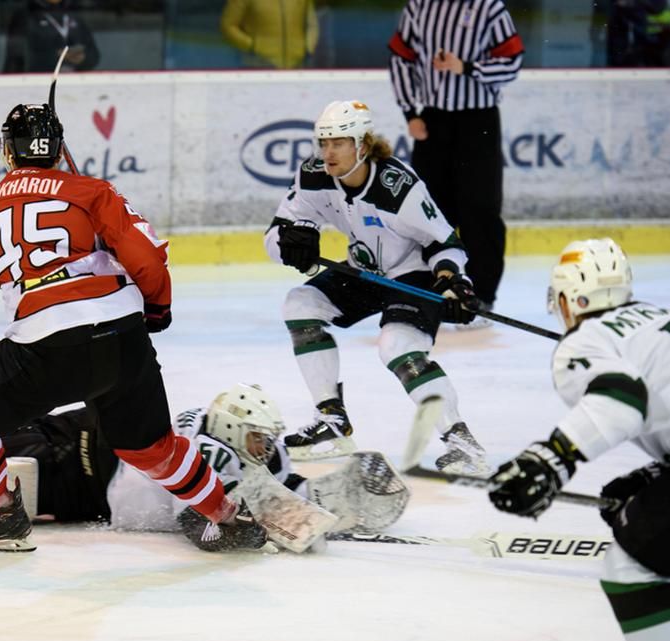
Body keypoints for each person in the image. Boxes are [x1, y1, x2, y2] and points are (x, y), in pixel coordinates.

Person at [0, 102, 266, 553]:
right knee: (150, 446)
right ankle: (229, 519)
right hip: (123, 335)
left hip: (47, 342)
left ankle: (1, 513)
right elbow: (145, 256)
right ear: (59, 147)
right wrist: (157, 309)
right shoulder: (93, 190)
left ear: (8, 152)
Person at [488, 238, 670, 641]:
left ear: (567, 300)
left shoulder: (583, 341)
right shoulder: (667, 317)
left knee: (630, 568)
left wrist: (551, 460)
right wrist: (659, 476)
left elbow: (622, 399)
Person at [0, 385, 411, 549]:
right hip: (71, 472)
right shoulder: (213, 452)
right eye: (254, 438)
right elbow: (213, 520)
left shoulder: (229, 440)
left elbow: (282, 484)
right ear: (228, 429)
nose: (262, 448)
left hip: (73, 433)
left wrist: (350, 487)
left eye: (264, 439)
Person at [263, 99, 490, 476]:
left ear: (363, 145)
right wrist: (289, 244)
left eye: (339, 143)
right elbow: (274, 234)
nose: (328, 152)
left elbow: (445, 243)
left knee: (397, 347)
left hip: (412, 276)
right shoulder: (313, 175)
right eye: (324, 142)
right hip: (363, 271)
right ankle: (331, 420)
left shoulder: (398, 188)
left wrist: (454, 283)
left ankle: (461, 440)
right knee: (300, 303)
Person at [388, 0, 523, 323]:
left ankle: (481, 295)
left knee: (480, 209)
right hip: (433, 121)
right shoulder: (420, 7)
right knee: (428, 212)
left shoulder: (489, 8)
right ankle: (432, 290)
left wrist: (468, 67)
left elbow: (512, 60)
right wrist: (410, 112)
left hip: (479, 121)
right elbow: (400, 56)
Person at [3, 0, 99, 74]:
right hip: (36, 84)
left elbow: (94, 54)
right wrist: (56, 56)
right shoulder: (25, 17)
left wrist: (83, 57)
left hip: (74, 82)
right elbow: (18, 58)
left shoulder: (73, 15)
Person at [219, 0, 319, 69]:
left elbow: (312, 23)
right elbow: (228, 25)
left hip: (297, 63)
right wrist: (252, 45)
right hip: (258, 62)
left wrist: (307, 47)